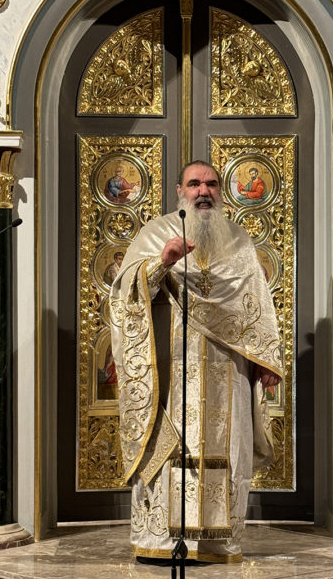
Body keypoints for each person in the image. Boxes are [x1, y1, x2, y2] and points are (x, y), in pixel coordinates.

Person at [110, 160, 282, 564]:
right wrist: (162, 262)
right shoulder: (155, 234)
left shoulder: (238, 240)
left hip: (229, 371)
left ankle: (216, 543)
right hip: (170, 368)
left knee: (229, 448)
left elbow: (258, 305)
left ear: (220, 191)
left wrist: (266, 357)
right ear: (179, 191)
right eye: (194, 184)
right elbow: (125, 294)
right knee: (172, 450)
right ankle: (161, 542)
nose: (203, 191)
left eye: (211, 184)